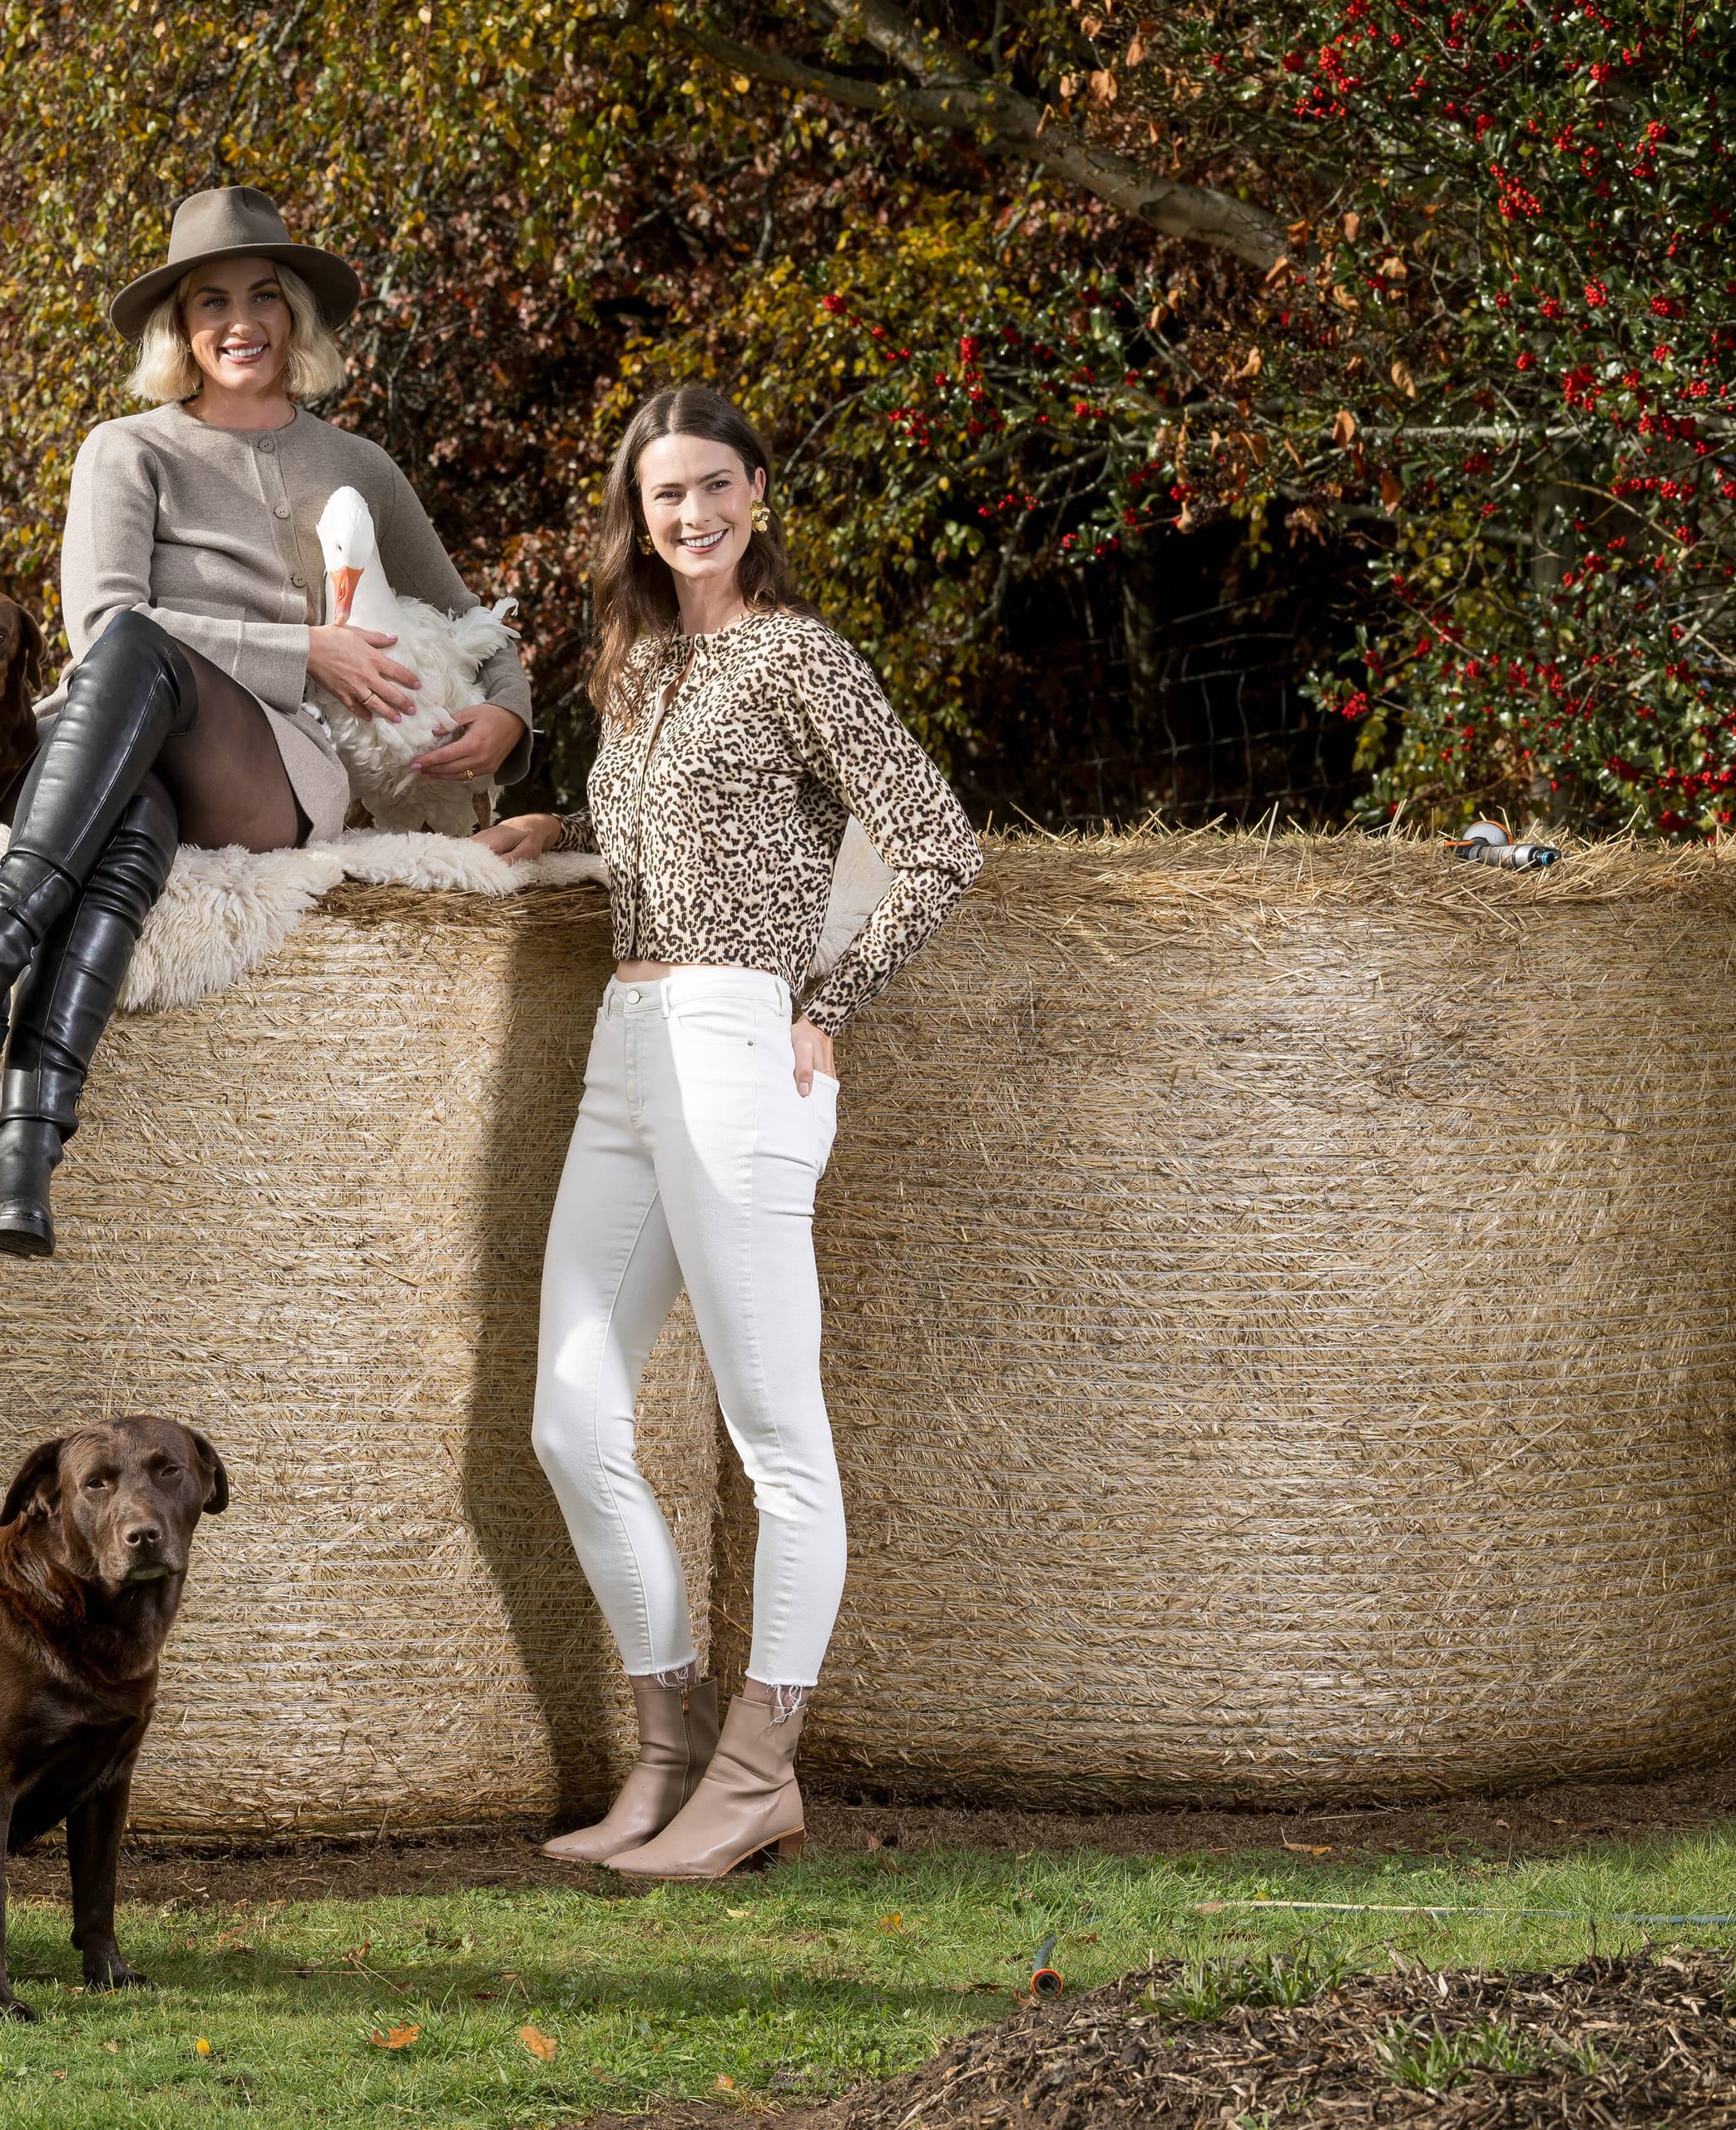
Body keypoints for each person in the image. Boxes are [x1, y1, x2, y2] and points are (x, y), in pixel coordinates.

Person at [477, 384, 982, 1879]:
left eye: (711, 488)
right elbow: (676, 835)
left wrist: (830, 995)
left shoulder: (800, 656)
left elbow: (939, 840)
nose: (687, 516)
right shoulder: (637, 668)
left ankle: (762, 1769)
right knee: (570, 1415)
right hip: (623, 1044)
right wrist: (558, 831)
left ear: (759, 492)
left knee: (778, 1441)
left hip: (737, 1043)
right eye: (661, 496)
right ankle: (669, 1755)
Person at [0, 186, 535, 1256]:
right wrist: (302, 645)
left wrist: (507, 717)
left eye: (263, 296)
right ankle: (23, 1167)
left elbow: (478, 626)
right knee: (129, 827)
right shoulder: (125, 448)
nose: (241, 321)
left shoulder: (357, 466)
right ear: (178, 332)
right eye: (210, 302)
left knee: (148, 653)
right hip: (112, 745)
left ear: (296, 318)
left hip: (268, 765)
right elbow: (97, 626)